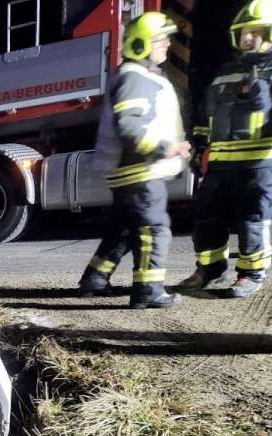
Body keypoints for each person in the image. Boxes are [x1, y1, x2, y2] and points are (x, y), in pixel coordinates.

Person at [175, 0, 272, 298]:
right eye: (244, 31)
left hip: (261, 163)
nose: (247, 37)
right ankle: (209, 269)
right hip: (221, 164)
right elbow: (206, 113)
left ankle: (250, 274)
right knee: (207, 220)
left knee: (253, 220)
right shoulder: (229, 68)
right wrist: (199, 145)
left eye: (255, 31)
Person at [77, 12, 189, 308]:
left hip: (131, 169)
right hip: (139, 170)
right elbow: (130, 126)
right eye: (160, 39)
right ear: (141, 44)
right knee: (154, 229)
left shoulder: (137, 75)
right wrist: (165, 148)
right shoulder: (135, 77)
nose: (167, 44)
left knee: (124, 230)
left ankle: (95, 279)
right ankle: (148, 291)